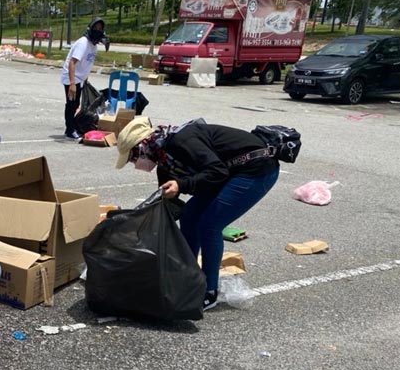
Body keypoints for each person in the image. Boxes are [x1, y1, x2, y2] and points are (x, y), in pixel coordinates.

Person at [116, 119, 280, 310]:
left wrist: (182, 185)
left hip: (256, 168)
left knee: (209, 225)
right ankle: (188, 275)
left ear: (143, 147)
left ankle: (209, 292)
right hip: (229, 172)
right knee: (189, 217)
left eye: (133, 158)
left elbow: (216, 171)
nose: (136, 164)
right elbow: (170, 205)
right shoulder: (164, 163)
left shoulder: (181, 142)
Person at [61, 18, 109, 140]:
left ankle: (73, 127)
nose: (98, 31)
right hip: (71, 77)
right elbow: (72, 62)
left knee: (76, 103)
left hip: (80, 79)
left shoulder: (93, 46)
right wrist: (72, 83)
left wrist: (84, 80)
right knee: (72, 104)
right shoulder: (83, 43)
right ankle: (70, 130)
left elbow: (86, 63)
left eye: (100, 29)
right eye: (95, 28)